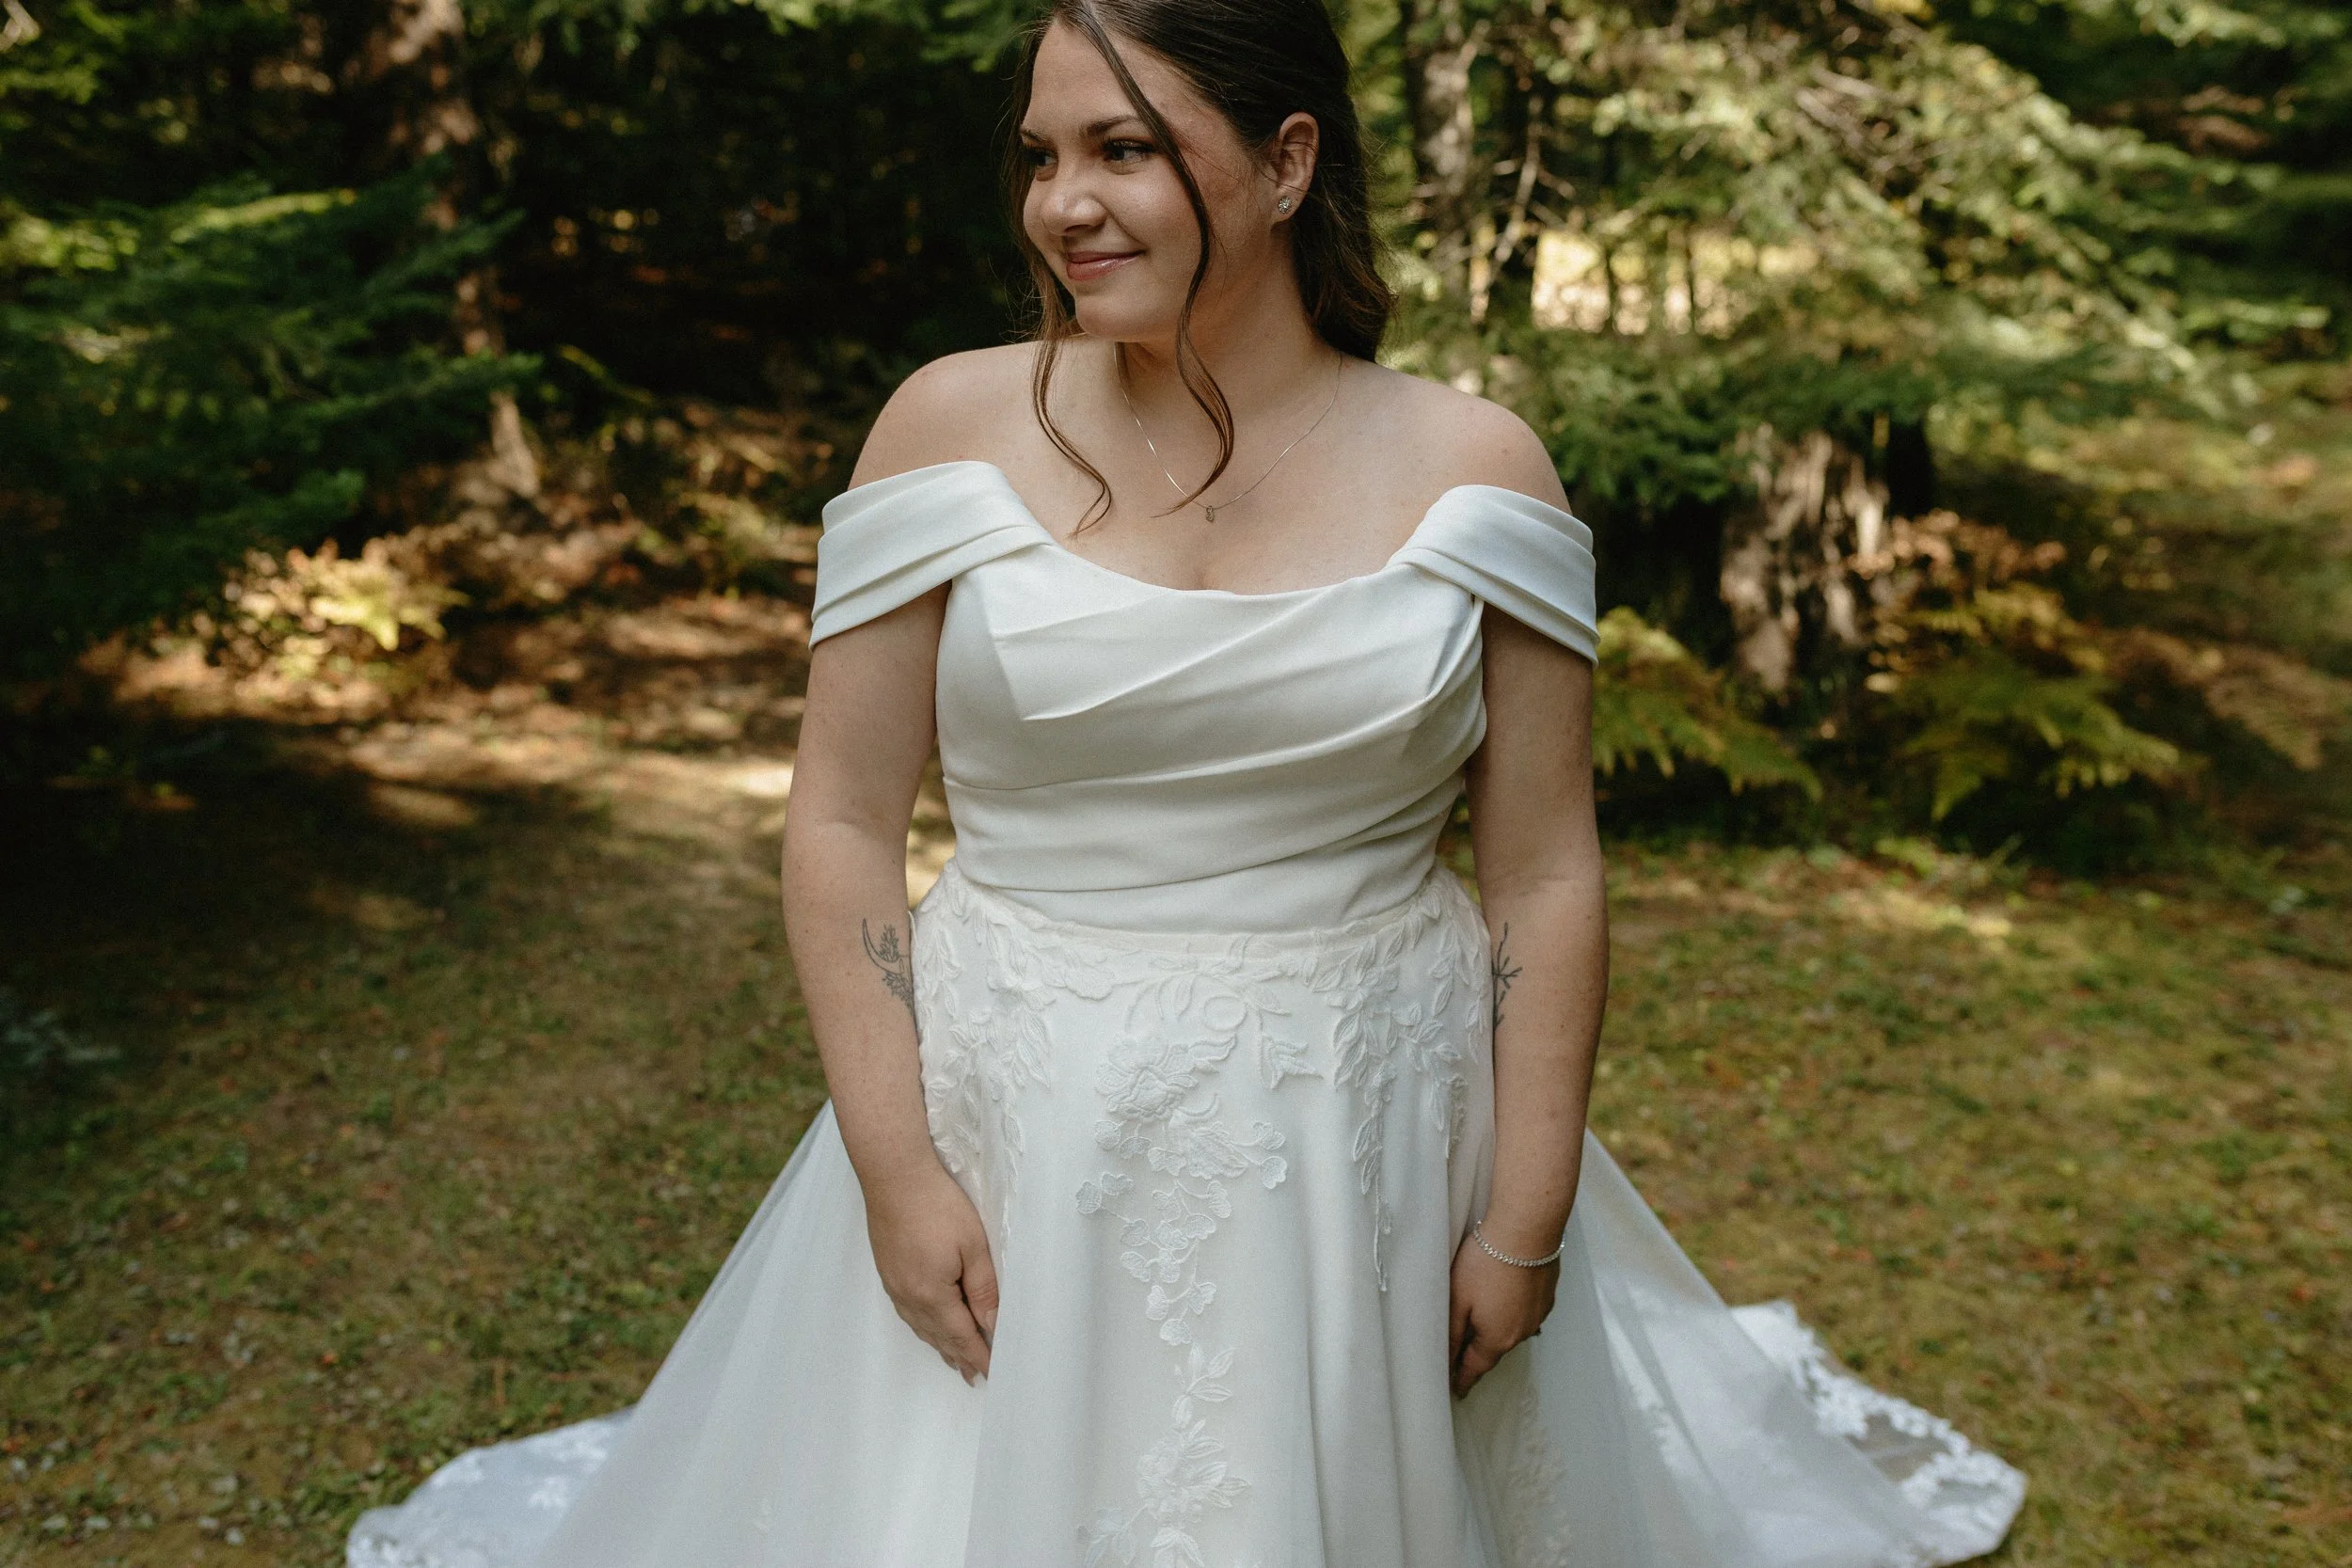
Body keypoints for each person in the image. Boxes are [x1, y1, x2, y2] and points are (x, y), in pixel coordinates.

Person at [349, 3, 2025, 1564]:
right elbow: (845, 820)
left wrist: (1523, 1218)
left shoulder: (1476, 466)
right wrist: (895, 1164)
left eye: (1124, 150)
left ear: (1287, 163)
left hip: (1369, 1126)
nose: (1063, 206)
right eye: (1041, 156)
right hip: (1022, 1122)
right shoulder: (946, 431)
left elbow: (1543, 872)